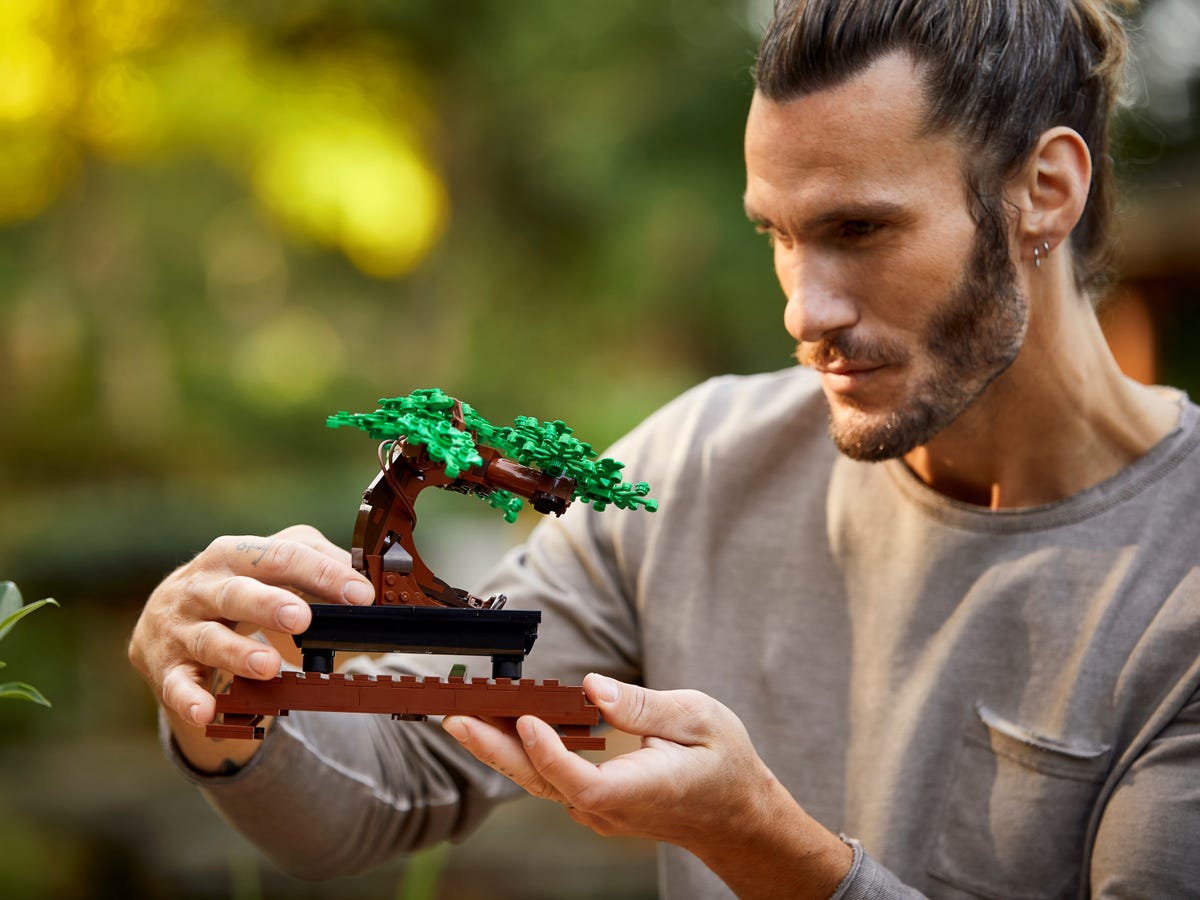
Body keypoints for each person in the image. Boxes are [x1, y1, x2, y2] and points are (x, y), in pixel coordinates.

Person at [129, 1, 1200, 897]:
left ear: (1045, 191)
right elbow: (395, 775)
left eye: (859, 231)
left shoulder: (1180, 578)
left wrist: (767, 848)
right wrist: (227, 700)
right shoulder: (696, 466)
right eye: (777, 236)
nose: (804, 308)